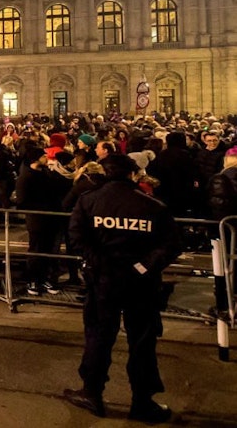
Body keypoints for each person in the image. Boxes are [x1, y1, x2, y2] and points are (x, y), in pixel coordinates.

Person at [64, 154, 181, 423]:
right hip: (141, 283)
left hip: (103, 281)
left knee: (98, 337)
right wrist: (143, 266)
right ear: (131, 175)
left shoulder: (89, 200)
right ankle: (142, 401)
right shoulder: (151, 205)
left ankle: (92, 392)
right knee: (141, 341)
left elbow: (76, 238)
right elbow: (171, 244)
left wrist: (99, 263)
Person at [14, 147, 65, 296]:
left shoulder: (46, 173)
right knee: (36, 250)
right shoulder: (26, 177)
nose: (46, 157)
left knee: (48, 250)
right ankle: (33, 280)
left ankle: (44, 278)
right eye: (43, 155)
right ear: (35, 159)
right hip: (37, 219)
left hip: (51, 218)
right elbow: (22, 202)